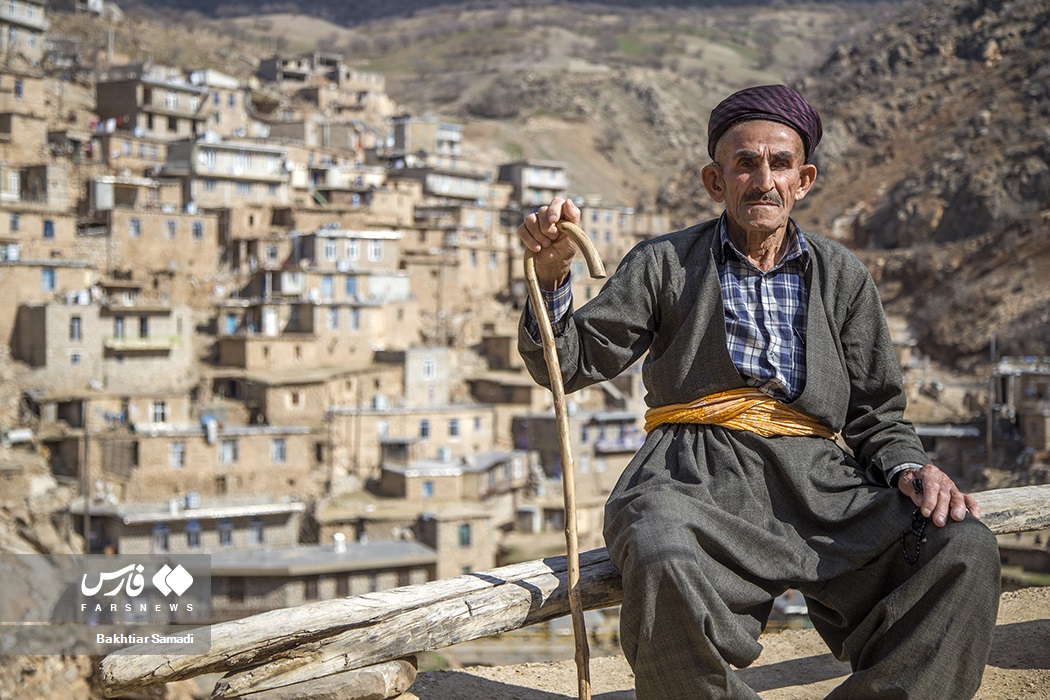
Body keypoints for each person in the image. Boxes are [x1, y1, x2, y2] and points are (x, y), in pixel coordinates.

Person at [517, 84, 1000, 699]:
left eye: (779, 163)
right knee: (659, 547)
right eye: (744, 163)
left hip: (820, 484)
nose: (762, 179)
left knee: (961, 547)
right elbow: (570, 363)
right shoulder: (664, 262)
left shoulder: (843, 275)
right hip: (693, 474)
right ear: (715, 182)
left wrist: (908, 466)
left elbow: (876, 412)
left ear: (804, 178)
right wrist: (554, 273)